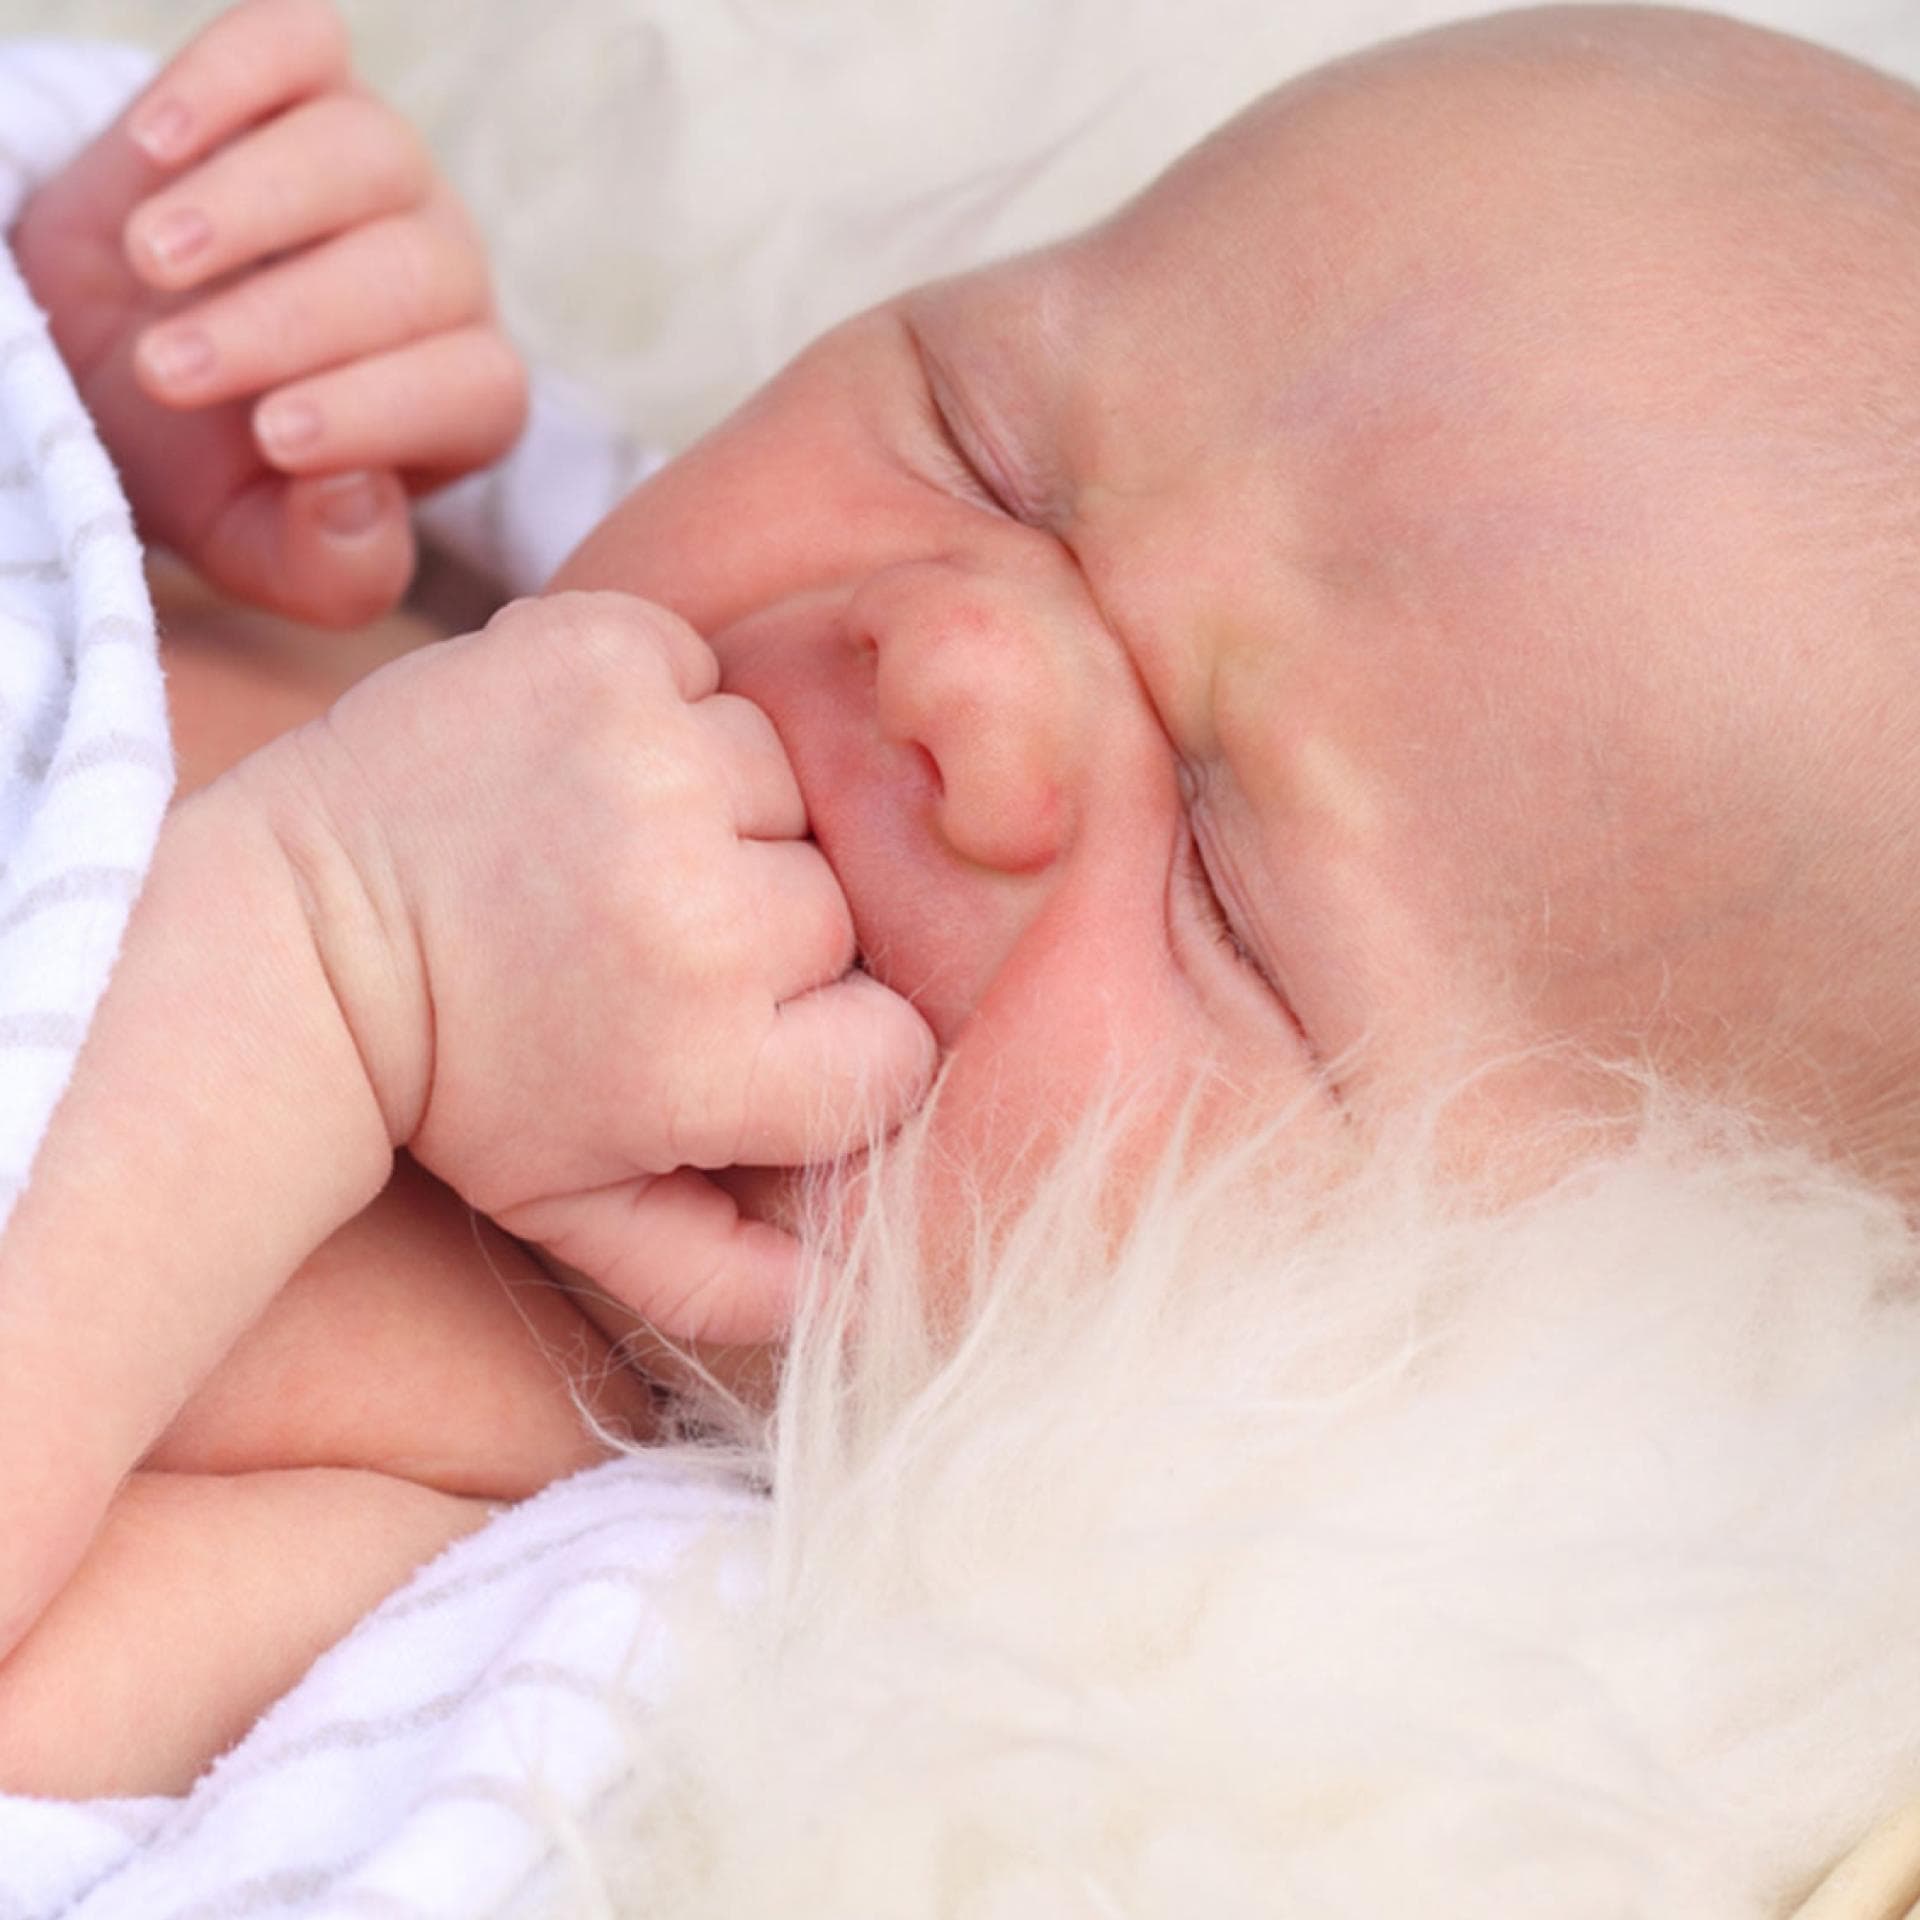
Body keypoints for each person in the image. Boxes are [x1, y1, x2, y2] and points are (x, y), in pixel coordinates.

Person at [6, 0, 1920, 1797]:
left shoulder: (496, 1565)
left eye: (1225, 896)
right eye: (987, 443)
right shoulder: (419, 563)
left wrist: (326, 966)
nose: (961, 668)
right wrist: (110, 378)